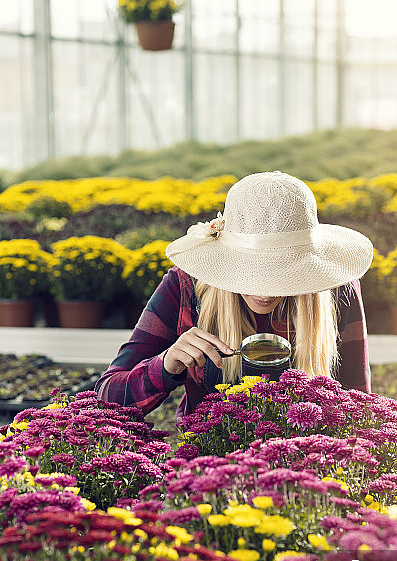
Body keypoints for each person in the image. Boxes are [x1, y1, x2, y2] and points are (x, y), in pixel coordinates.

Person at [96, 171, 373, 425]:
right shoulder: (185, 286)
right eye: (251, 271)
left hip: (308, 462)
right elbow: (106, 398)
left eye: (280, 272)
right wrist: (166, 364)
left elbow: (360, 405)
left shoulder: (336, 289)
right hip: (209, 463)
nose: (264, 292)